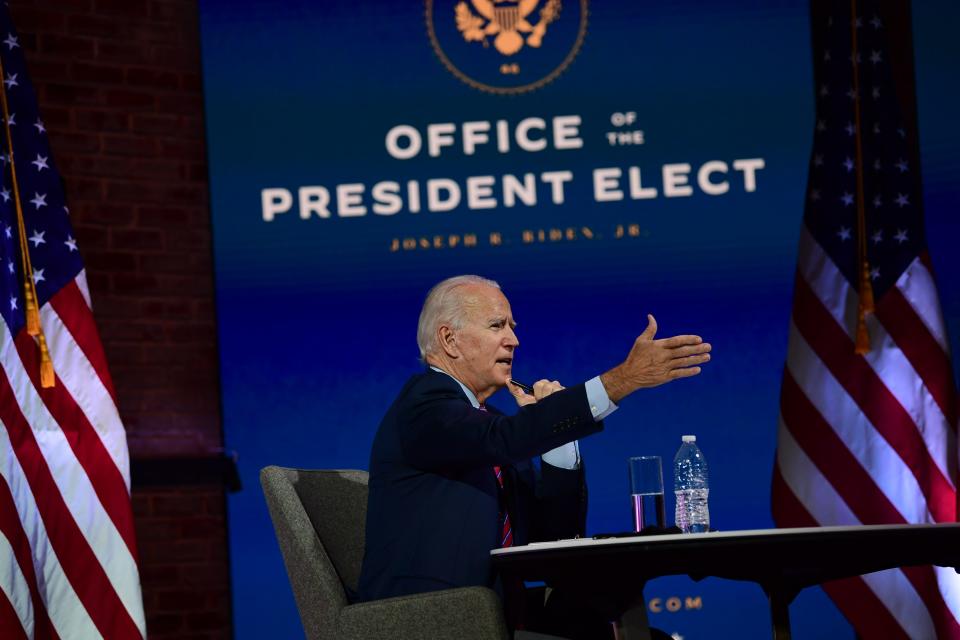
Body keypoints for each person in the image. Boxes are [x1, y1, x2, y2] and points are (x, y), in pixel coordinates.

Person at [357, 275, 711, 636]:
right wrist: (622, 380)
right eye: (497, 325)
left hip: (499, 614)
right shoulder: (424, 405)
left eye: (512, 326)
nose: (514, 339)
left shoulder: (489, 424)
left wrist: (555, 442)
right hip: (430, 619)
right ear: (450, 340)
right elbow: (506, 440)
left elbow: (554, 537)